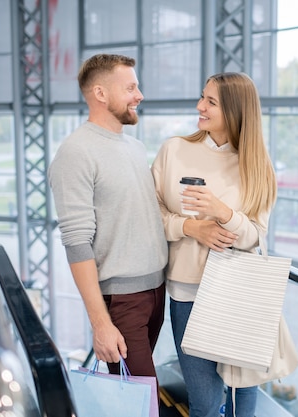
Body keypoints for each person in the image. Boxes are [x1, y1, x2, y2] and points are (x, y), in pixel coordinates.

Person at [151, 72, 277, 417]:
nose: (199, 106)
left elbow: (254, 235)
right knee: (205, 403)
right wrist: (191, 227)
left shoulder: (258, 166)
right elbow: (151, 215)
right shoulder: (174, 150)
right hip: (188, 294)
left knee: (242, 400)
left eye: (211, 101)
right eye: (202, 97)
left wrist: (222, 212)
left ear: (235, 111)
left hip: (239, 295)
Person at [48, 54, 168, 378]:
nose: (139, 95)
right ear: (100, 94)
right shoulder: (75, 152)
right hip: (122, 302)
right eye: (130, 87)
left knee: (136, 398)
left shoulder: (134, 147)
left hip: (157, 292)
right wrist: (101, 323)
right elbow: (77, 243)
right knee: (142, 405)